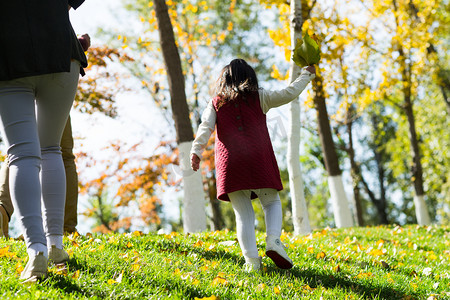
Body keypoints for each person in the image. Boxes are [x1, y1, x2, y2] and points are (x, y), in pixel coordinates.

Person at [190, 59, 315, 272]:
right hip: (259, 160)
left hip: (231, 166)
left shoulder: (216, 103)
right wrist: (306, 75)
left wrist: (196, 150)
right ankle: (273, 240)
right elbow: (289, 93)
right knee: (272, 203)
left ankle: (252, 262)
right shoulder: (260, 97)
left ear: (224, 81)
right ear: (250, 77)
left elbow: (205, 127)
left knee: (243, 215)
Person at [0, 1, 87, 282]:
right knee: (51, 149)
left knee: (22, 154)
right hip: (61, 50)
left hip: (8, 52)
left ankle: (36, 249)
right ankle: (56, 245)